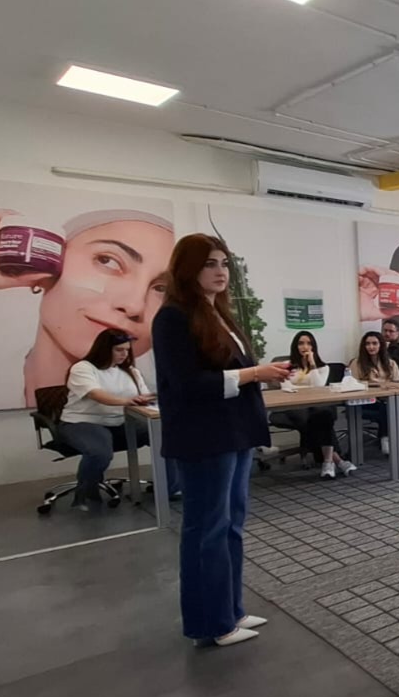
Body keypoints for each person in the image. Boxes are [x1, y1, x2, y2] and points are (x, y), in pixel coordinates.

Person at [152, 233, 291, 648]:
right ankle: (209, 624)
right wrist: (254, 374)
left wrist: (258, 374)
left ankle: (230, 610)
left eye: (224, 264)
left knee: (231, 525)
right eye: (210, 264)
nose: (220, 272)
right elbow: (189, 384)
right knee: (206, 530)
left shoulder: (219, 314)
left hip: (234, 432)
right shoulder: (172, 317)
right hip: (204, 436)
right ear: (187, 269)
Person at [0, 205, 175, 410]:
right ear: (49, 267)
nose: (134, 306)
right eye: (107, 260)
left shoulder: (165, 396)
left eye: (162, 289)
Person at [59, 328, 155, 509]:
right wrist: (126, 401)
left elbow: (143, 396)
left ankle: (170, 488)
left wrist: (154, 396)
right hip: (83, 423)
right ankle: (85, 494)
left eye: (127, 350)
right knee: (99, 452)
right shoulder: (83, 368)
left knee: (165, 436)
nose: (124, 354)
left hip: (120, 422)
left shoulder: (131, 371)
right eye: (119, 350)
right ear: (104, 349)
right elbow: (96, 394)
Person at [276, 331, 356, 480]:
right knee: (317, 420)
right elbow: (286, 387)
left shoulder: (322, 367)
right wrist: (306, 389)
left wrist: (312, 364)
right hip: (293, 405)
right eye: (301, 343)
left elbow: (318, 386)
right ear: (295, 346)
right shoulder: (288, 366)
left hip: (316, 405)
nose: (305, 347)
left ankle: (328, 462)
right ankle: (337, 460)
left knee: (323, 415)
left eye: (309, 343)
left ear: (314, 347)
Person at [349, 331, 399, 456]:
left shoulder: (390, 363)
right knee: (387, 406)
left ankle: (385, 437)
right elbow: (353, 385)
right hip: (365, 401)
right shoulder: (356, 363)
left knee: (393, 402)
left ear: (381, 345)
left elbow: (398, 384)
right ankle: (386, 437)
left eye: (374, 343)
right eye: (367, 344)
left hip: (386, 398)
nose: (371, 347)